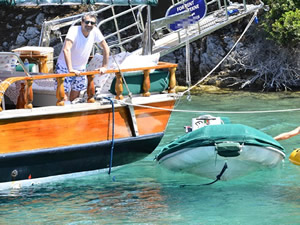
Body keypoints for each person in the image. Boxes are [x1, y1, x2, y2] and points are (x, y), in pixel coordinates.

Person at [56, 12, 109, 102]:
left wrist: (104, 66)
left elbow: (106, 48)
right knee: (63, 98)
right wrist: (70, 69)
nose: (89, 24)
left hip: (81, 68)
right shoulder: (74, 30)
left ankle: (73, 113)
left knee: (75, 98)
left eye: (92, 23)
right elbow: (66, 49)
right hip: (64, 66)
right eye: (87, 22)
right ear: (82, 22)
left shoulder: (95, 31)